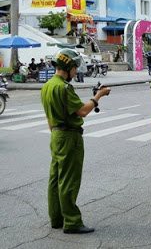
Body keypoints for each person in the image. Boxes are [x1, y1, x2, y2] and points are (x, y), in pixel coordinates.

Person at [41, 49, 111, 234]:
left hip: (56, 135)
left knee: (55, 179)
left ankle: (56, 218)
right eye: (74, 68)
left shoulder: (47, 86)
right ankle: (72, 221)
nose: (76, 72)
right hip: (69, 137)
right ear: (68, 67)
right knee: (69, 180)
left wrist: (56, 134)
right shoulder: (64, 87)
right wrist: (98, 96)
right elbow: (82, 111)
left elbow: (49, 117)